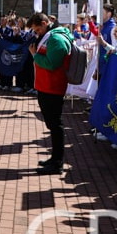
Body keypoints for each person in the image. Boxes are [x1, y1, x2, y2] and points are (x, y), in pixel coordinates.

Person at [26, 13, 72, 175]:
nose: (36, 32)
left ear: (45, 23)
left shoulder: (56, 39)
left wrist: (35, 56)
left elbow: (52, 64)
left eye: (38, 29)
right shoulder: (50, 36)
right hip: (46, 86)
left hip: (52, 87)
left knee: (55, 125)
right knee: (52, 125)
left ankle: (57, 162)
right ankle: (54, 159)